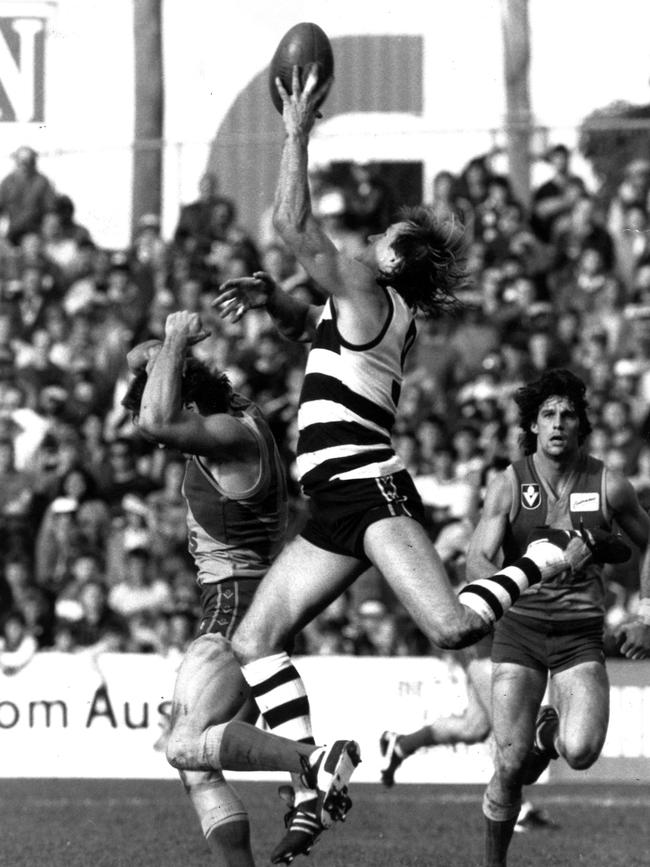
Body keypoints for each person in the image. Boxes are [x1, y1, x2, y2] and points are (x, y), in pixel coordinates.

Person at [212, 66, 597, 857]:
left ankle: (548, 552)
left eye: (386, 236)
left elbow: (292, 224)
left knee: (453, 622)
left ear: (394, 261)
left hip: (366, 485)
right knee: (254, 642)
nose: (373, 235)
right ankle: (316, 773)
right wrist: (275, 301)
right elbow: (317, 330)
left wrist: (293, 131)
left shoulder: (363, 286)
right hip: (334, 501)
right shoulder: (372, 307)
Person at [121, 314, 360, 867]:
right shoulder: (234, 410)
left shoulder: (228, 437)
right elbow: (140, 361)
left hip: (238, 603)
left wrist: (177, 338)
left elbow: (157, 421)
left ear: (185, 403)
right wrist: (170, 351)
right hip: (248, 598)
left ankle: (313, 762)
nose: (155, 442)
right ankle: (300, 781)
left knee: (183, 745)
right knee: (195, 762)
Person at [460, 368, 650, 867]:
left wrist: (646, 615)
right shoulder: (509, 482)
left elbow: (647, 545)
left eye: (568, 414)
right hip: (518, 633)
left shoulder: (610, 483)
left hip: (579, 637)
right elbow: (477, 558)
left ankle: (549, 734)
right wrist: (506, 586)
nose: (558, 423)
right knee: (508, 765)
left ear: (581, 425)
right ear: (534, 426)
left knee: (582, 750)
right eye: (548, 415)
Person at [378, 637, 556, 833]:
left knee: (474, 726)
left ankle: (401, 745)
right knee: (505, 725)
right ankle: (516, 808)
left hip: (499, 640)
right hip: (485, 642)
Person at [0, 146, 57, 245]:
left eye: (28, 161)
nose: (24, 165)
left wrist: (47, 233)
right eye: (21, 162)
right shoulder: (7, 183)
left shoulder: (42, 182)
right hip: (13, 232)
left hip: (35, 233)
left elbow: (51, 211)